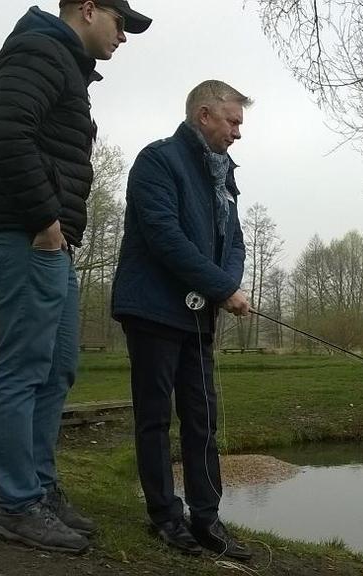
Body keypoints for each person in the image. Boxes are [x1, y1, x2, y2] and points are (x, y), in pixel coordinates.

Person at [0, 0, 151, 554]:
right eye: (121, 22)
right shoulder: (40, 48)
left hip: (48, 240)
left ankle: (39, 490)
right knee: (23, 369)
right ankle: (17, 506)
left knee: (57, 368)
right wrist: (46, 222)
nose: (124, 35)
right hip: (23, 234)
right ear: (88, 9)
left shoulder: (64, 62)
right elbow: (5, 137)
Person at [110, 80, 252, 561]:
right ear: (204, 115)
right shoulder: (158, 161)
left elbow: (234, 242)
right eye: (232, 121)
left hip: (198, 316)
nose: (238, 132)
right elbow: (164, 236)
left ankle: (207, 518)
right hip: (152, 309)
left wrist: (225, 286)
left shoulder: (225, 175)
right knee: (154, 418)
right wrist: (221, 287)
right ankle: (165, 517)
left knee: (202, 417)